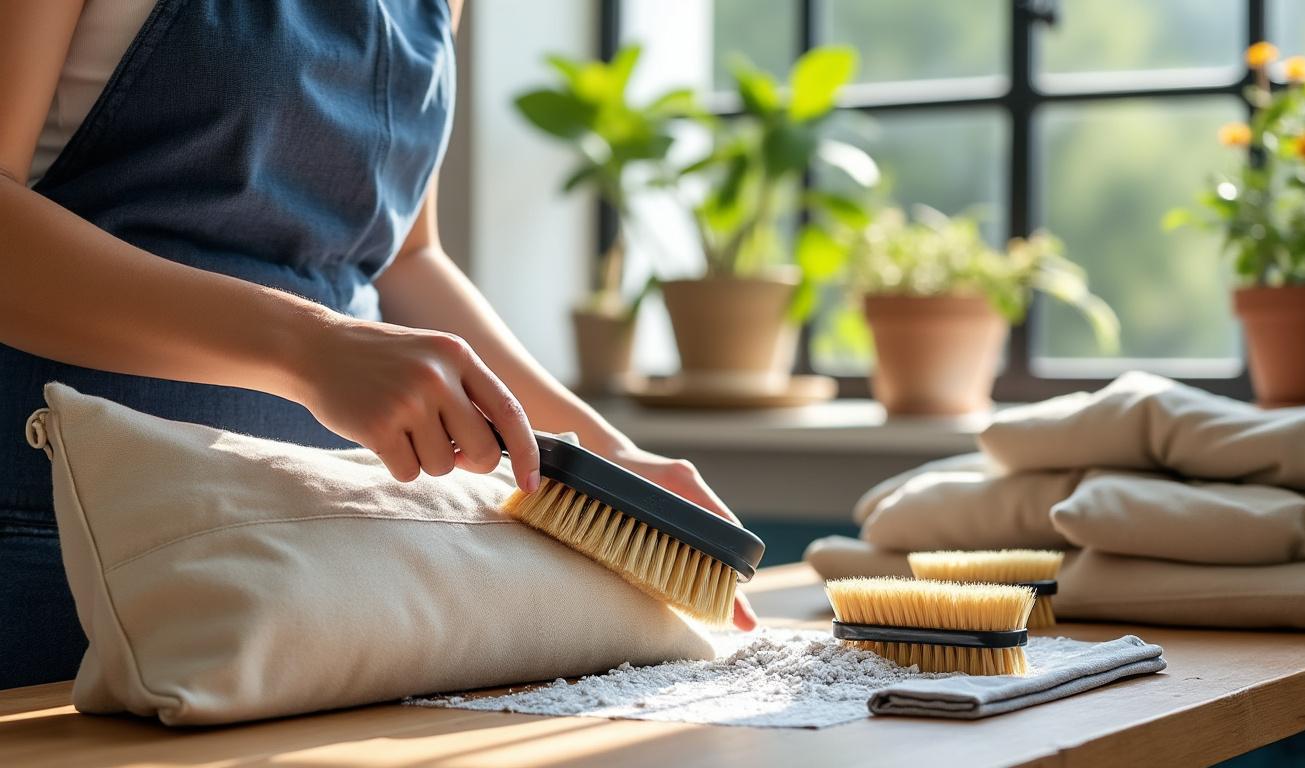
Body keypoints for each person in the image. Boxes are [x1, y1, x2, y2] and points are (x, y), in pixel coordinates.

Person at [0, 0, 756, 690]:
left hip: (331, 554)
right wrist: (310, 348)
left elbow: (403, 259)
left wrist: (604, 454)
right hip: (73, 538)